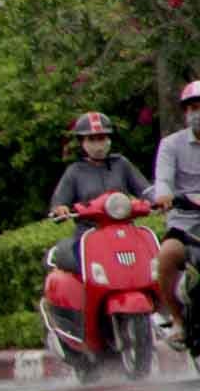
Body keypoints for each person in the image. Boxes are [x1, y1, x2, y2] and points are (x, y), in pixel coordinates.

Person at [47, 110, 152, 277]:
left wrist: (159, 199)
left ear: (109, 139)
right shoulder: (74, 171)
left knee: (152, 265)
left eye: (102, 138)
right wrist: (60, 209)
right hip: (89, 237)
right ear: (82, 142)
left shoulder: (121, 164)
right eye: (92, 139)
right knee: (93, 274)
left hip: (125, 233)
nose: (98, 144)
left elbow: (145, 190)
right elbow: (59, 203)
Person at [151, 81, 200, 345]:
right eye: (193, 108)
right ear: (186, 113)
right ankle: (178, 321)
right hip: (184, 225)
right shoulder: (171, 145)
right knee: (167, 255)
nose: (198, 113)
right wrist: (164, 195)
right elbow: (164, 180)